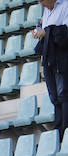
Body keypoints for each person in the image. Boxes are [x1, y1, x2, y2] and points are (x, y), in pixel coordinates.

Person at [33, 0, 68, 137]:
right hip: (49, 58)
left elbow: (65, 32)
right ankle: (59, 131)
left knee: (63, 94)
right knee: (54, 97)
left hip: (61, 58)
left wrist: (46, 32)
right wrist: (40, 30)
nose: (40, 3)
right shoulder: (47, 10)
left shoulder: (65, 6)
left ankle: (65, 131)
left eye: (42, 0)